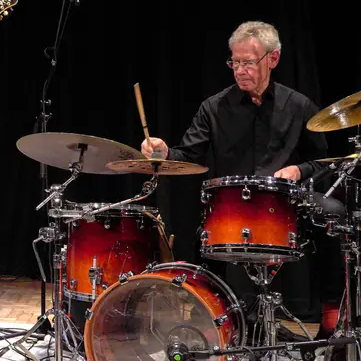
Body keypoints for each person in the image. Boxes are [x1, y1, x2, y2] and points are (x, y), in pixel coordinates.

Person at [141, 21, 344, 340]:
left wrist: (299, 170)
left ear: (272, 59)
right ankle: (215, 328)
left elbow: (323, 162)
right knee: (202, 236)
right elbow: (188, 155)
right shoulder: (213, 107)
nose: (239, 70)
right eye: (234, 62)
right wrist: (165, 152)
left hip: (285, 204)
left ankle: (332, 325)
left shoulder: (299, 106)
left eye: (247, 62)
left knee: (335, 215)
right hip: (230, 207)